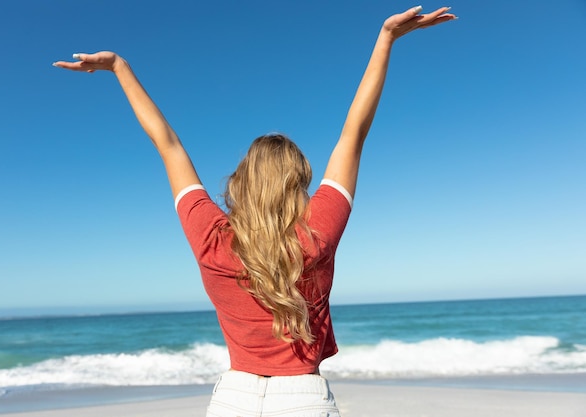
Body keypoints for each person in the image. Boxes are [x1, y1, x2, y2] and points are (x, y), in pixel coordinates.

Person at [54, 5, 455, 416]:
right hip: (304, 398)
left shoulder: (211, 237)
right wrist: (385, 39)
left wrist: (120, 68)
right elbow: (354, 132)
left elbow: (168, 145)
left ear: (241, 182)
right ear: (297, 184)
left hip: (233, 399)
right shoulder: (317, 232)